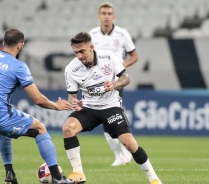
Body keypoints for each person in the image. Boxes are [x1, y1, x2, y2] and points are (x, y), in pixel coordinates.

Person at [0, 28, 75, 184]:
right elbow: (38, 99)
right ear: (20, 46)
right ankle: (58, 179)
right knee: (40, 129)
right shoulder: (18, 66)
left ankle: (10, 175)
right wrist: (56, 106)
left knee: (4, 133)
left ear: (4, 43)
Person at [63, 32, 162, 184]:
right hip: (89, 108)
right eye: (76, 52)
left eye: (82, 51)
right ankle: (78, 173)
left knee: (129, 143)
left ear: (91, 47)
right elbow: (72, 97)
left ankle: (153, 178)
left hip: (111, 107)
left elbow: (125, 78)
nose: (79, 56)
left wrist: (114, 85)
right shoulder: (71, 69)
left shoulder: (108, 57)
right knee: (68, 129)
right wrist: (75, 103)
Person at [89, 2, 139, 167]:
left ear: (113, 16)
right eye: (103, 13)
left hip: (116, 81)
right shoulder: (92, 34)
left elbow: (134, 56)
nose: (106, 16)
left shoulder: (122, 34)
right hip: (97, 81)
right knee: (105, 118)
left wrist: (123, 67)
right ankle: (118, 154)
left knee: (113, 114)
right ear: (99, 16)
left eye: (109, 13)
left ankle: (125, 148)